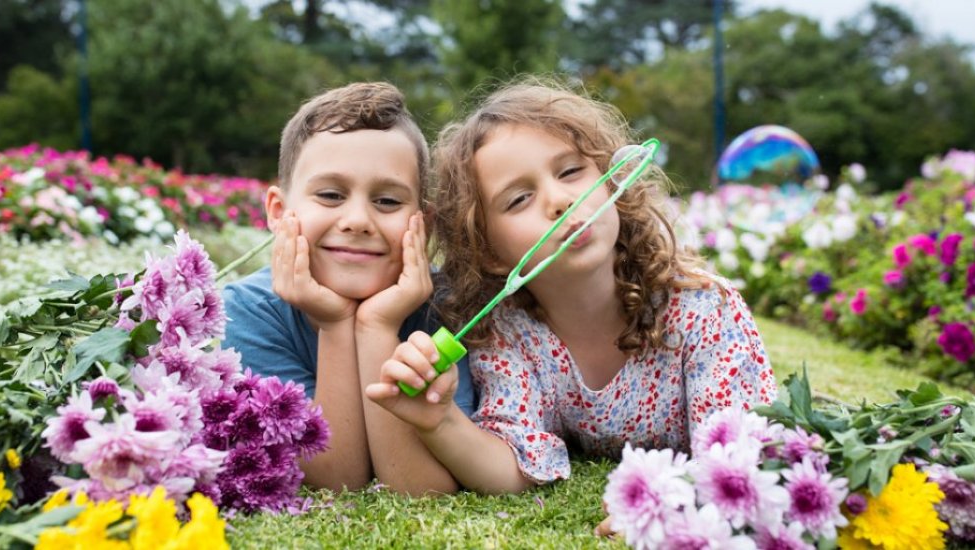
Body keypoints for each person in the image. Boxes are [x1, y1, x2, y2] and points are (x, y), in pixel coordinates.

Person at [364, 80, 776, 522]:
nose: (560, 201)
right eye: (520, 198)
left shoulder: (701, 309)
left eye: (570, 172)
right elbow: (513, 468)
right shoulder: (509, 334)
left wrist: (666, 501)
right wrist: (440, 420)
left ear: (613, 181)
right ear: (489, 251)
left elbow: (742, 460)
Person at [222, 82, 476, 495]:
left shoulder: (445, 308)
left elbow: (424, 489)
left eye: (388, 202)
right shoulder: (248, 313)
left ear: (423, 224)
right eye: (330, 195)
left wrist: (377, 326)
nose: (357, 220)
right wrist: (337, 324)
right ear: (279, 212)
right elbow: (336, 478)